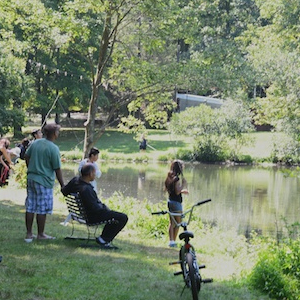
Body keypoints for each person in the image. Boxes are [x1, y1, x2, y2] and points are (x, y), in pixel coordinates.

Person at [62, 163, 128, 249]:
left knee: (113, 215)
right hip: (92, 217)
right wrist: (105, 208)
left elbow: (64, 191)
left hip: (84, 214)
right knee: (123, 217)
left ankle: (103, 238)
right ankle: (104, 239)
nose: (95, 175)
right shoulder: (86, 189)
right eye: (94, 173)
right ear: (90, 174)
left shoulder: (75, 181)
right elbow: (95, 208)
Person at [24, 124, 65, 242]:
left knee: (30, 206)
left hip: (31, 178)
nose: (58, 134)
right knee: (42, 208)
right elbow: (57, 169)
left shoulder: (36, 143)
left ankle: (29, 234)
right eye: (57, 132)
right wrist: (63, 185)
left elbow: (26, 156)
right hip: (44, 181)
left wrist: (30, 168)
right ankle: (41, 234)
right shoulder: (53, 148)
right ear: (54, 134)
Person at [164, 160, 189, 247]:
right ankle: (173, 241)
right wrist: (183, 184)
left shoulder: (170, 177)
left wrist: (182, 191)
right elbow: (177, 192)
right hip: (176, 203)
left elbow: (173, 191)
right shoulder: (177, 178)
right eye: (182, 166)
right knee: (178, 223)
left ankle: (172, 241)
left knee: (172, 223)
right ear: (179, 168)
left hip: (170, 201)